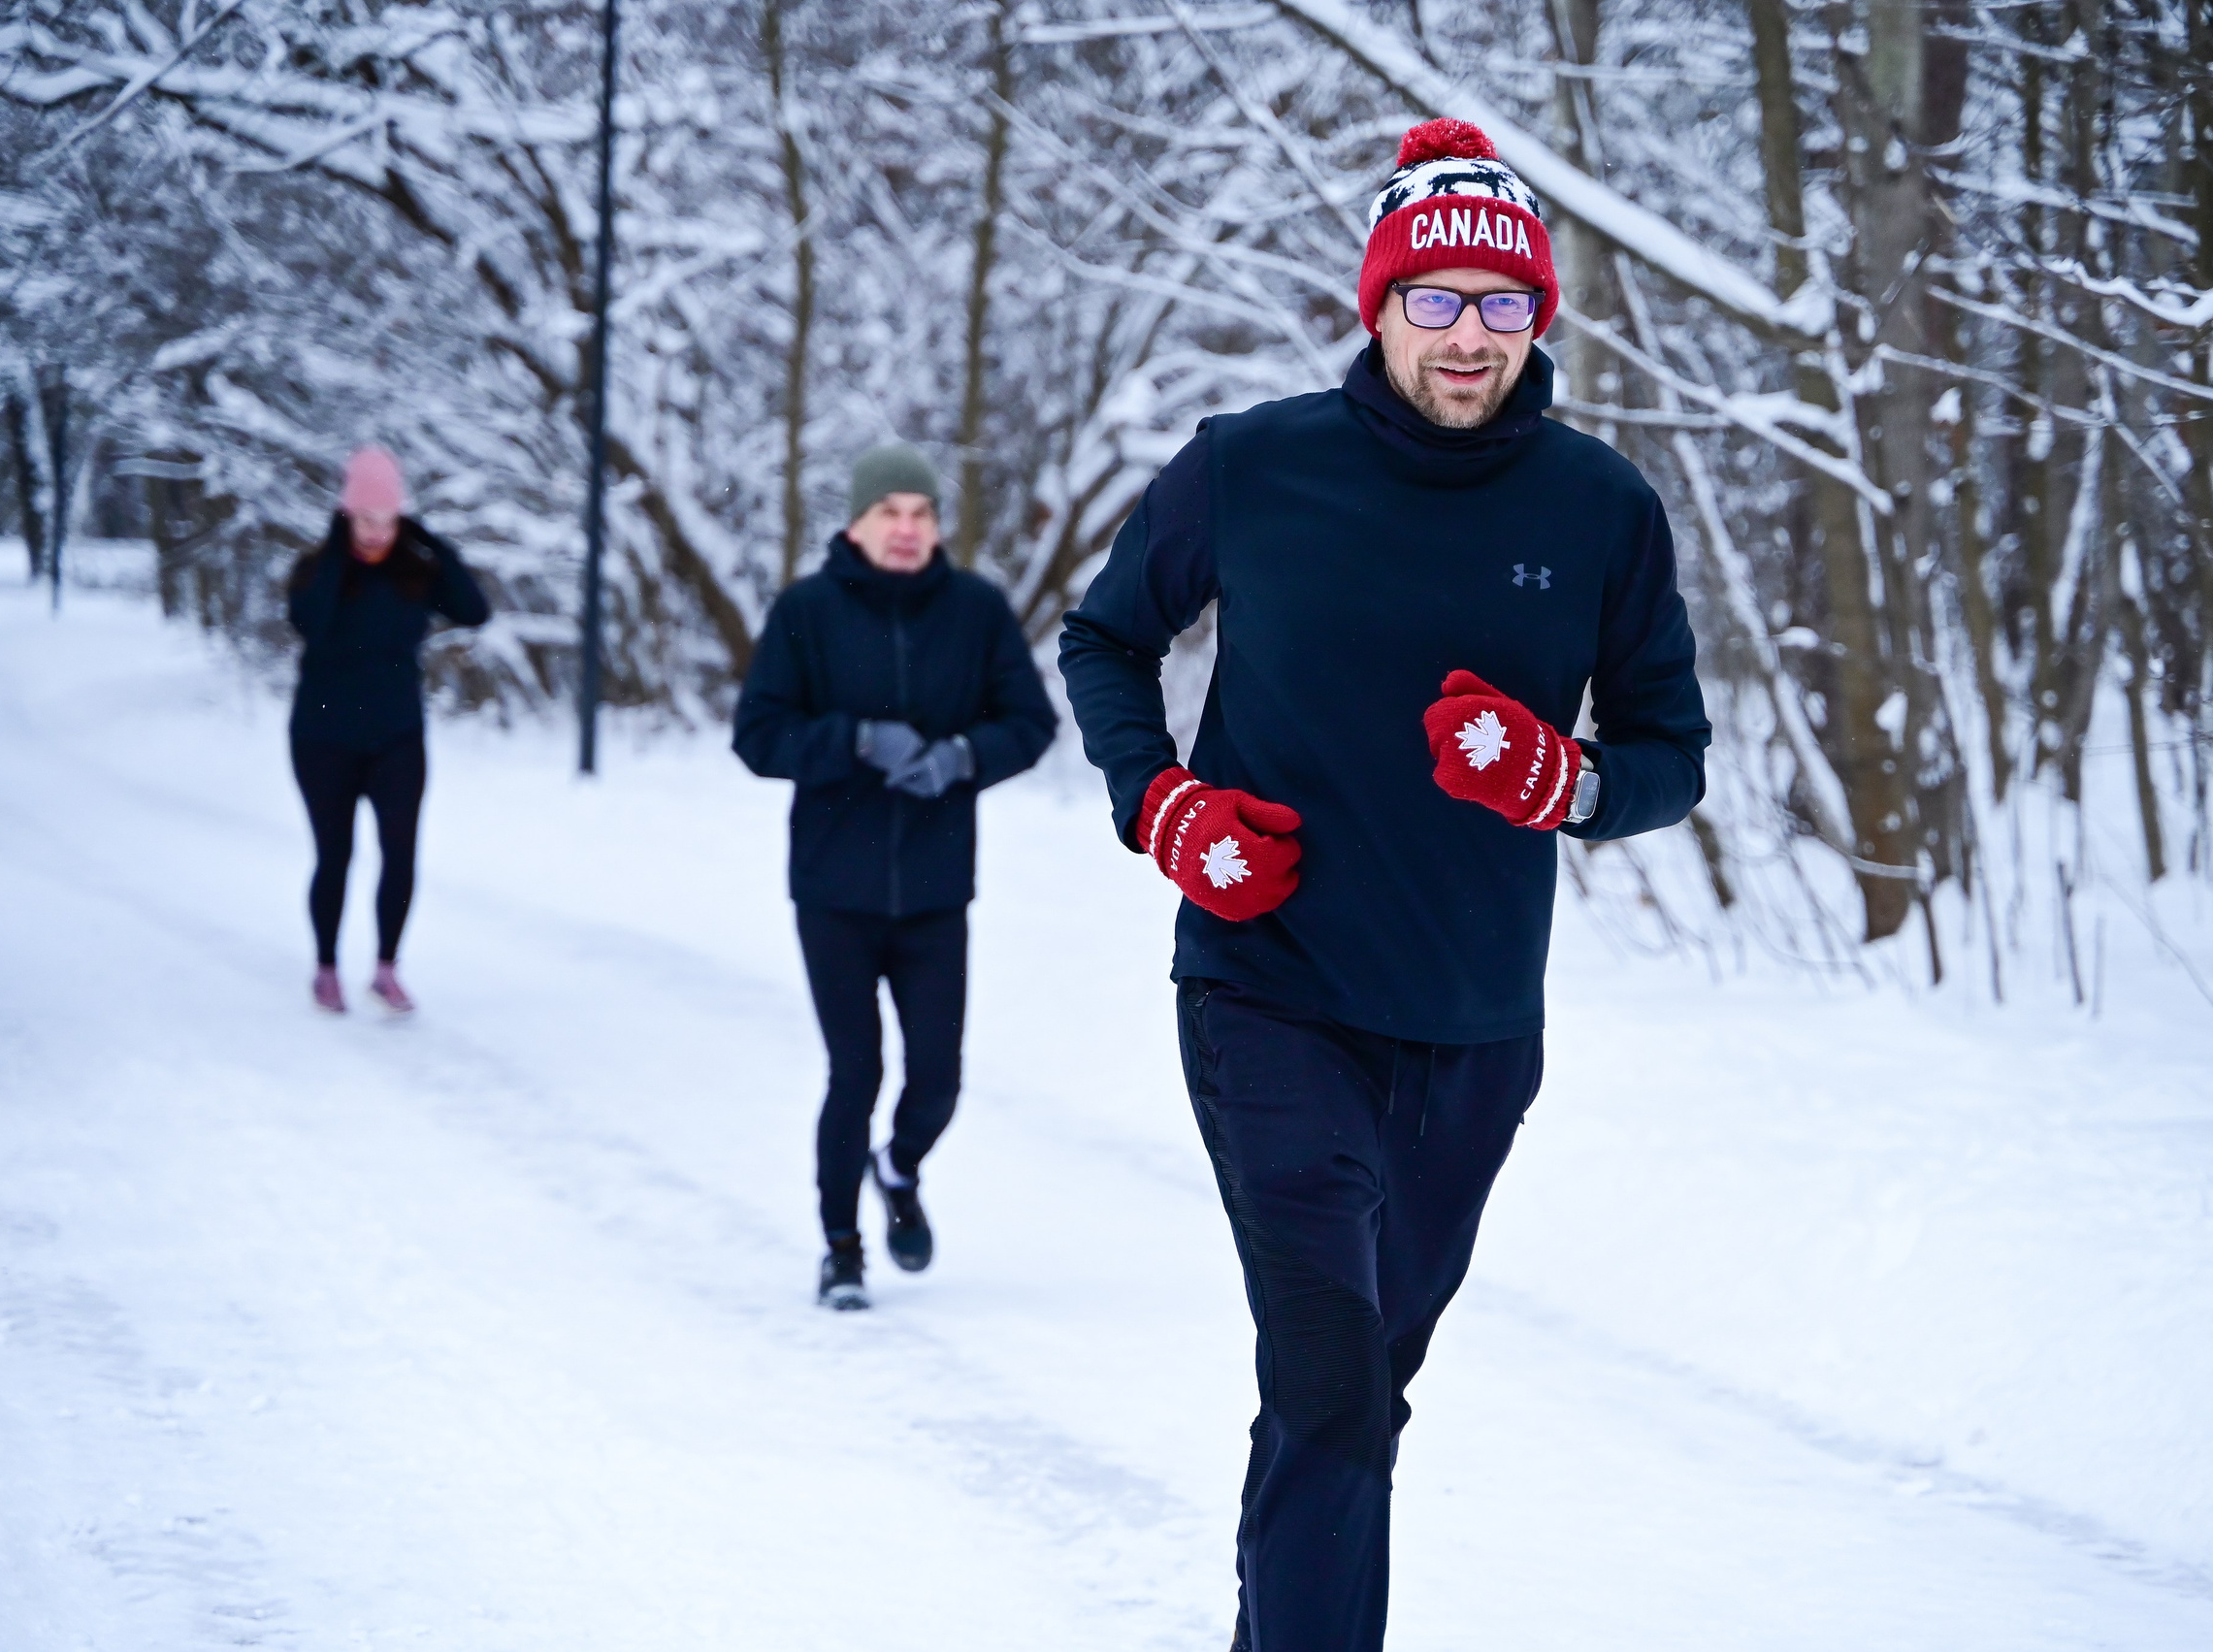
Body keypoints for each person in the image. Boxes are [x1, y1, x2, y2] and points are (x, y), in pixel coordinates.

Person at [1058, 118, 1710, 1652]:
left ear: (1537, 314)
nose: (1467, 333)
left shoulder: (1600, 506)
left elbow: (1671, 753)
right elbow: (1104, 638)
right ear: (1380, 303)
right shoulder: (1251, 465)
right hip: (1265, 986)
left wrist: (1572, 782)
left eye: (1501, 303)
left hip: (1479, 1025)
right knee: (1333, 1373)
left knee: (1353, 1392)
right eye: (1435, 298)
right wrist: (1163, 807)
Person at [732, 442, 1058, 1311]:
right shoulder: (805, 611)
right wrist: (851, 740)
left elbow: (1030, 724)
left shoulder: (976, 610)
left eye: (922, 513)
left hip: (935, 890)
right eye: (891, 513)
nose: (908, 529)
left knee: (938, 1079)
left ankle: (899, 1166)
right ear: (857, 523)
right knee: (856, 1071)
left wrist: (960, 757)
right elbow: (757, 736)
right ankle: (841, 1248)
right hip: (833, 891)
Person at [285, 446, 491, 1016]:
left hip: (397, 736)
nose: (378, 532)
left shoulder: (414, 573)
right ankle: (326, 967)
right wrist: (336, 551)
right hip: (323, 739)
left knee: (400, 853)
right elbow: (311, 623)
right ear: (347, 515)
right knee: (336, 854)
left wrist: (430, 541)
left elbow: (475, 611)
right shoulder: (316, 573)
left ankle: (386, 969)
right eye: (367, 519)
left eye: (388, 520)